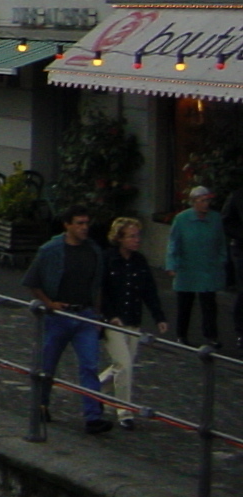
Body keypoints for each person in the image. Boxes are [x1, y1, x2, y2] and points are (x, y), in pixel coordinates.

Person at [22, 205, 113, 433]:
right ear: (67, 225)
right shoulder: (50, 250)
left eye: (86, 223)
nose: (84, 228)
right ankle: (41, 405)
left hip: (85, 315)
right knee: (47, 365)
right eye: (79, 223)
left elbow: (97, 285)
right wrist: (49, 303)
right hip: (58, 316)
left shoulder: (93, 250)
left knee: (90, 366)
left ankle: (93, 416)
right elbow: (32, 281)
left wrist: (98, 314)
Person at [99, 216, 167, 430]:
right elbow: (100, 291)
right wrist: (110, 315)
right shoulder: (107, 259)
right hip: (113, 322)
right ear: (119, 238)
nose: (137, 240)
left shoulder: (140, 261)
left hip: (133, 319)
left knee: (121, 366)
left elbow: (149, 291)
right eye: (132, 236)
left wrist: (159, 317)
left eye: (138, 236)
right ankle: (124, 411)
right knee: (124, 365)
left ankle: (92, 390)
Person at [165, 185, 229, 350]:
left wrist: (221, 260)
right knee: (185, 304)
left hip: (208, 269)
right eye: (201, 201)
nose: (205, 204)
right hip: (187, 268)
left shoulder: (215, 219)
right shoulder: (181, 219)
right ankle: (181, 335)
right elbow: (173, 243)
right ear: (193, 202)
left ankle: (211, 336)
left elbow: (221, 242)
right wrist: (172, 264)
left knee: (209, 304)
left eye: (207, 201)